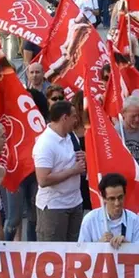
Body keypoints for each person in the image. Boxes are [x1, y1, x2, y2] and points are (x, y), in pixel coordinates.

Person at [33, 100, 86, 242]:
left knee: (73, 252)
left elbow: (76, 161)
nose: (77, 119)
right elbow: (43, 180)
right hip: (54, 207)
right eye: (74, 116)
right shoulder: (45, 144)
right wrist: (73, 171)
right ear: (65, 118)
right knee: (53, 254)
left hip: (75, 202)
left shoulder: (72, 136)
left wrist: (84, 158)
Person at [78, 173, 139, 247]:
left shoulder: (135, 220)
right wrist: (98, 246)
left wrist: (128, 246)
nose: (117, 203)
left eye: (120, 197)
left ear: (125, 195)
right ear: (103, 198)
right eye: (112, 199)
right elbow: (81, 253)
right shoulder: (90, 220)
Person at [118, 96, 139, 173]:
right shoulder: (114, 132)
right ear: (123, 113)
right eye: (133, 116)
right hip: (123, 178)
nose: (137, 119)